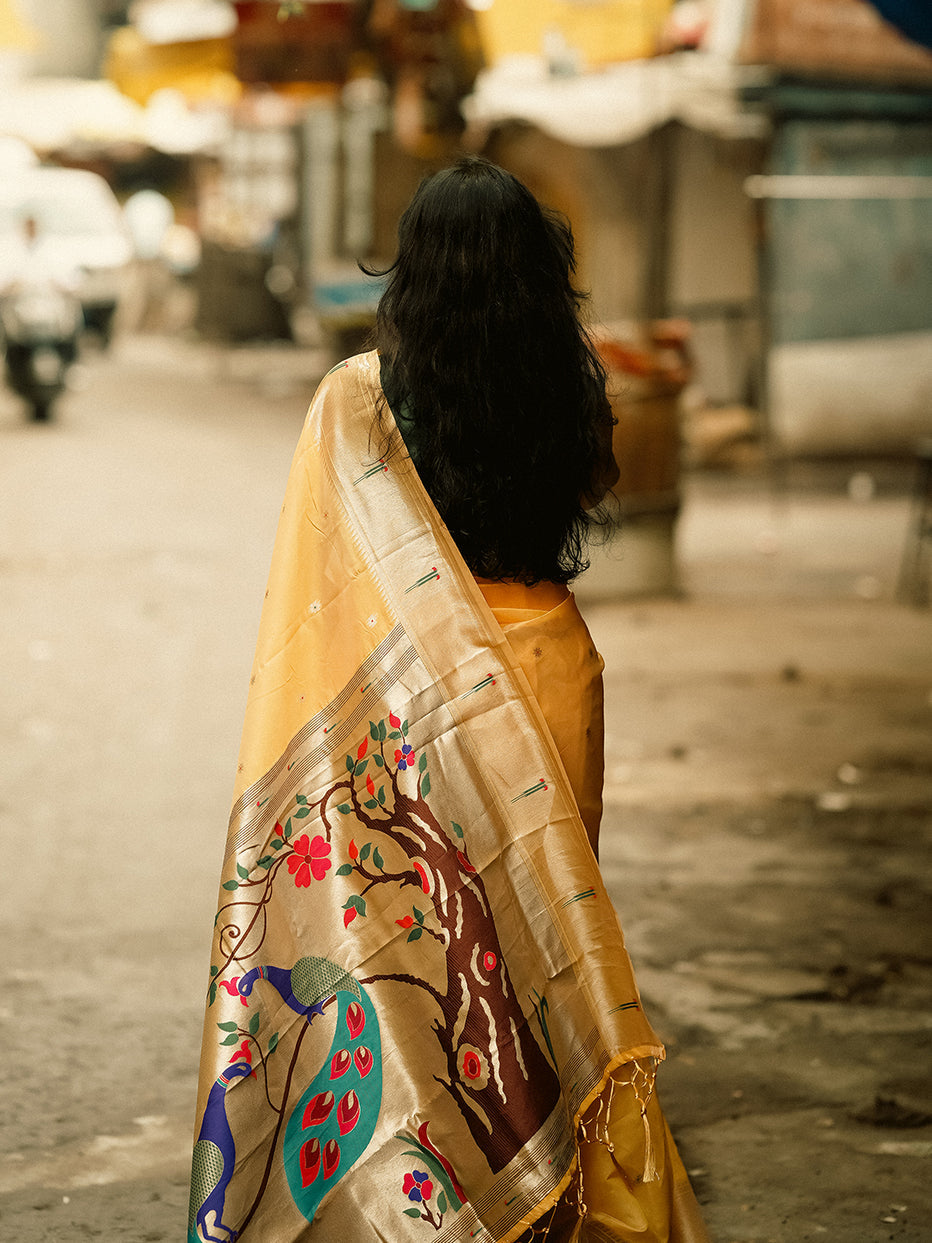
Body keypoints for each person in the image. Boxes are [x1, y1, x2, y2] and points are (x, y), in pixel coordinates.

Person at [189, 156, 710, 1243]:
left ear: (413, 269)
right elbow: (591, 489)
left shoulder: (359, 399)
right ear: (537, 266)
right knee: (535, 954)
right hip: (549, 671)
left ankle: (442, 1201)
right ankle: (558, 1198)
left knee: (426, 957)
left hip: (420, 696)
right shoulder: (570, 383)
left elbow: (327, 572)